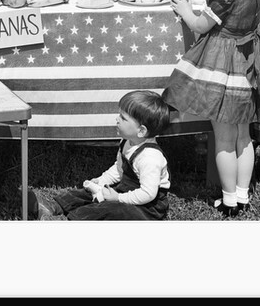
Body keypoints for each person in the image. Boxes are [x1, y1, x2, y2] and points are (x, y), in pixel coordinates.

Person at [151, 0, 260, 217]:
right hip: (248, 66)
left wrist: (182, 6)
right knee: (244, 136)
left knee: (224, 137)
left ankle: (229, 199)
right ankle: (244, 196)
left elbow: (199, 26)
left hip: (225, 67)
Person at [28, 90, 172, 221]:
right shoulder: (127, 141)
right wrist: (102, 181)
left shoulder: (150, 158)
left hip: (147, 208)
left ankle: (69, 220)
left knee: (111, 209)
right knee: (89, 192)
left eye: (123, 118)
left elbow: (148, 193)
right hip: (127, 191)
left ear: (141, 131)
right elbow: (119, 168)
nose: (117, 119)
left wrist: (118, 198)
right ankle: (53, 206)